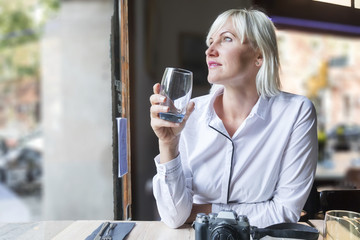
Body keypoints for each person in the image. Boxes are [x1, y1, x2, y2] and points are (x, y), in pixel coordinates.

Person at [149, 8, 318, 228]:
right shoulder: (189, 114)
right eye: (210, 42)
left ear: (260, 56)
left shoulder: (296, 113)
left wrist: (200, 212)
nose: (210, 50)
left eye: (226, 39)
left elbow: (284, 212)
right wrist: (168, 144)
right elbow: (174, 217)